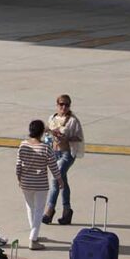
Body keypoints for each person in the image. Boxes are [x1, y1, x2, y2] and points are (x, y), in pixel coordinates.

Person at [16, 120, 62, 250]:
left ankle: (33, 232)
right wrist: (60, 180)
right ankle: (33, 239)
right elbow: (53, 166)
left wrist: (19, 178)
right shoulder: (45, 148)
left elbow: (18, 164)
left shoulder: (23, 145)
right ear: (42, 133)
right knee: (39, 210)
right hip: (40, 184)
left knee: (30, 207)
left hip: (25, 182)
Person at [45, 94, 85, 226]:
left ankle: (49, 210)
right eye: (61, 104)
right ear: (57, 105)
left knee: (56, 179)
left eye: (67, 105)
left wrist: (66, 138)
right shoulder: (52, 118)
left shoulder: (73, 121)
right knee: (63, 181)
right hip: (54, 153)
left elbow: (79, 137)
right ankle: (67, 211)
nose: (64, 107)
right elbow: (48, 134)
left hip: (67, 154)